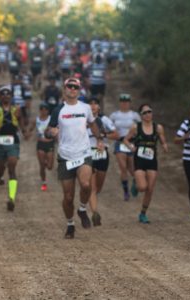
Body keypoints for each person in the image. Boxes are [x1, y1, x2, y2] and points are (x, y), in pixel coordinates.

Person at [45, 78, 104, 239]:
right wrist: (52, 133)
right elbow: (47, 131)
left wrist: (99, 139)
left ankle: (83, 209)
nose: (72, 89)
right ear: (64, 89)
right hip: (65, 157)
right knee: (68, 197)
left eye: (75, 87)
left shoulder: (85, 108)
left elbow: (92, 124)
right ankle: (70, 224)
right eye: (69, 86)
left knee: (86, 185)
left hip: (83, 154)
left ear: (79, 90)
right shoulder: (58, 110)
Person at [0, 85, 27, 211]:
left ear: (11, 96)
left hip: (13, 141)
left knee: (12, 166)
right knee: (0, 168)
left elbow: (22, 122)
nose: (6, 96)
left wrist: (24, 131)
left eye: (8, 94)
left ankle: (11, 198)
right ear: (0, 97)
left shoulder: (17, 109)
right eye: (3, 94)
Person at [123, 104, 168, 224]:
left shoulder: (158, 127)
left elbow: (162, 140)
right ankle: (136, 183)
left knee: (150, 189)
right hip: (139, 159)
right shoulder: (136, 127)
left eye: (150, 111)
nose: (148, 114)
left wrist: (164, 145)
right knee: (142, 187)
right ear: (141, 115)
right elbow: (126, 139)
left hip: (152, 160)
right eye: (145, 112)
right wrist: (131, 146)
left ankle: (143, 213)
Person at [87, 97, 119, 226]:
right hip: (88, 154)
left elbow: (116, 135)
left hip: (102, 155)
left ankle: (91, 201)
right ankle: (95, 213)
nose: (93, 106)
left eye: (96, 104)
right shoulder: (82, 120)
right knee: (92, 188)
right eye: (91, 104)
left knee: (98, 187)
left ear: (99, 107)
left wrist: (103, 135)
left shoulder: (104, 120)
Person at [109, 94, 141, 201]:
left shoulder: (135, 115)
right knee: (123, 168)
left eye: (127, 101)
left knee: (132, 169)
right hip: (120, 143)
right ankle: (126, 191)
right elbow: (109, 128)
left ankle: (135, 182)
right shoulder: (114, 115)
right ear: (120, 102)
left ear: (130, 103)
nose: (124, 103)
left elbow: (141, 129)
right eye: (122, 101)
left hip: (131, 143)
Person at [28, 102, 55, 191]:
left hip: (50, 143)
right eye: (42, 109)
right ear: (40, 110)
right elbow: (31, 128)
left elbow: (56, 129)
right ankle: (43, 182)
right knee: (42, 165)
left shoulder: (51, 119)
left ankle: (47, 162)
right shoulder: (36, 120)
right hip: (41, 144)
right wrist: (28, 133)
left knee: (50, 167)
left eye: (45, 110)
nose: (44, 111)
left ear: (48, 111)